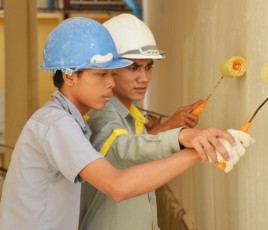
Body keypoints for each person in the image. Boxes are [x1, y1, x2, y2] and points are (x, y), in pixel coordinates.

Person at [0, 17, 251, 230]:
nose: (110, 82)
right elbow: (117, 184)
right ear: (69, 75)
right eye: (101, 74)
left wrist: (178, 137)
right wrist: (196, 148)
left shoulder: (68, 121)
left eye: (112, 73)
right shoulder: (56, 124)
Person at [79, 14, 254, 230]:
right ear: (108, 69)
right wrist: (181, 136)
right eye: (133, 67)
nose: (143, 78)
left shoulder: (131, 116)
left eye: (148, 67)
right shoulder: (101, 116)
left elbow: (136, 150)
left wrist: (170, 127)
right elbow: (124, 150)